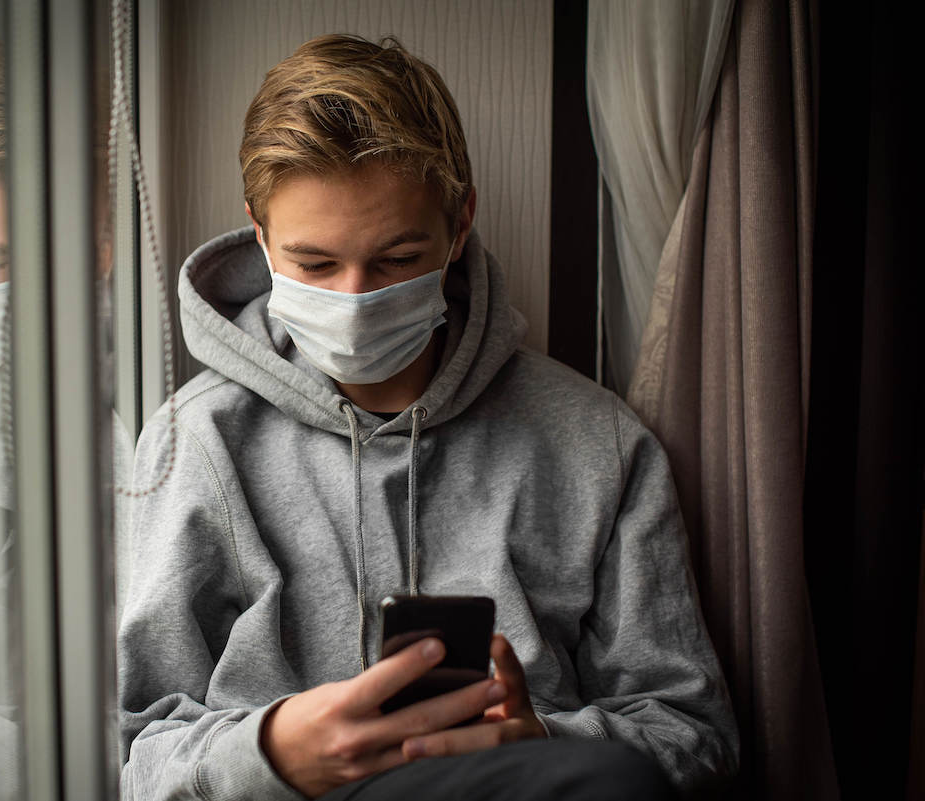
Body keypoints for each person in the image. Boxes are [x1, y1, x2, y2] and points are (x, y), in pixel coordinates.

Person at [118, 34, 738, 800]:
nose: (354, 299)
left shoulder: (597, 443)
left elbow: (693, 731)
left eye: (397, 259)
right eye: (315, 264)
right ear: (260, 234)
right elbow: (136, 755)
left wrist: (539, 737)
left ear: (459, 223)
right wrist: (272, 750)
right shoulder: (194, 442)